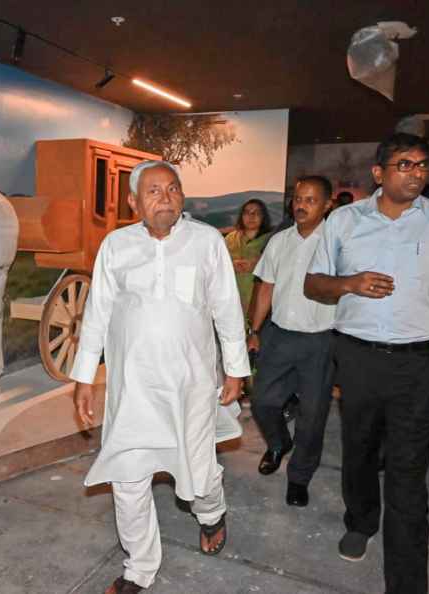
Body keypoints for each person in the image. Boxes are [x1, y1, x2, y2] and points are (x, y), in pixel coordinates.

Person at [304, 133, 429, 594]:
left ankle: (406, 583)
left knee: (408, 473)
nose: (416, 173)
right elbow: (314, 285)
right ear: (379, 173)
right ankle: (361, 520)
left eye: (423, 165)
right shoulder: (344, 220)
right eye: (404, 164)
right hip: (358, 358)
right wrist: (350, 283)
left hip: (418, 364)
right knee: (360, 451)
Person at [71, 160, 249, 594]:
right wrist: (83, 377)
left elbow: (227, 308)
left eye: (172, 188)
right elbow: (96, 314)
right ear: (133, 201)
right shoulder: (116, 246)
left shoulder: (207, 242)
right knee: (128, 480)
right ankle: (139, 568)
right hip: (133, 391)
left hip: (191, 386)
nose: (165, 196)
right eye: (153, 191)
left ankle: (212, 514)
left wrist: (236, 369)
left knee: (200, 476)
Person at [246, 175, 335, 507]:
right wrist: (254, 330)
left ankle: (299, 477)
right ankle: (279, 442)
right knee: (262, 401)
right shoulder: (279, 241)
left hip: (322, 341)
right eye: (298, 198)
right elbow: (265, 287)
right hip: (279, 336)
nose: (301, 205)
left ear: (327, 205)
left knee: (312, 416)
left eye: (311, 200)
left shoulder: (338, 242)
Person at [224, 199, 271, 320]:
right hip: (232, 300)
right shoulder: (230, 239)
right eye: (247, 212)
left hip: (258, 299)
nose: (251, 216)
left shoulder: (271, 240)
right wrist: (230, 266)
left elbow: (280, 269)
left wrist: (256, 266)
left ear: (263, 216)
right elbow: (217, 265)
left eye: (256, 213)